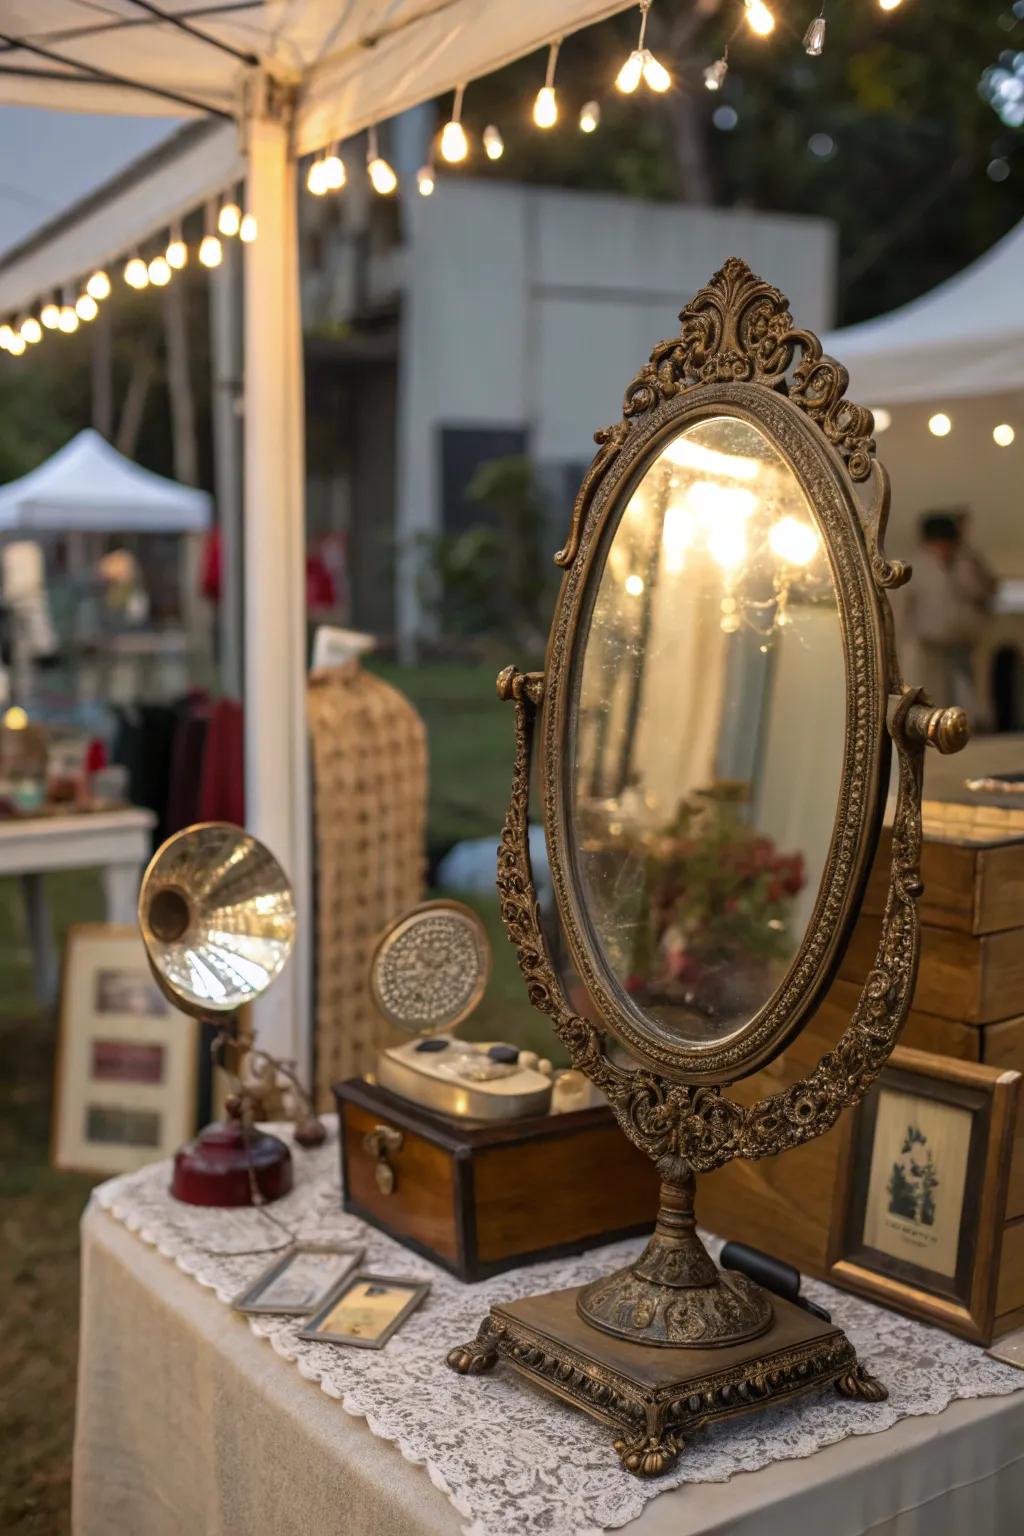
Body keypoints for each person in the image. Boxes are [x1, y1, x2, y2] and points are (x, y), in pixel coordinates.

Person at [901, 510, 995, 722]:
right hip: (927, 644)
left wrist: (966, 564)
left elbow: (985, 592)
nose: (943, 548)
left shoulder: (966, 563)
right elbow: (904, 608)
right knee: (931, 695)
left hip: (961, 642)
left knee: (965, 696)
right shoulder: (914, 566)